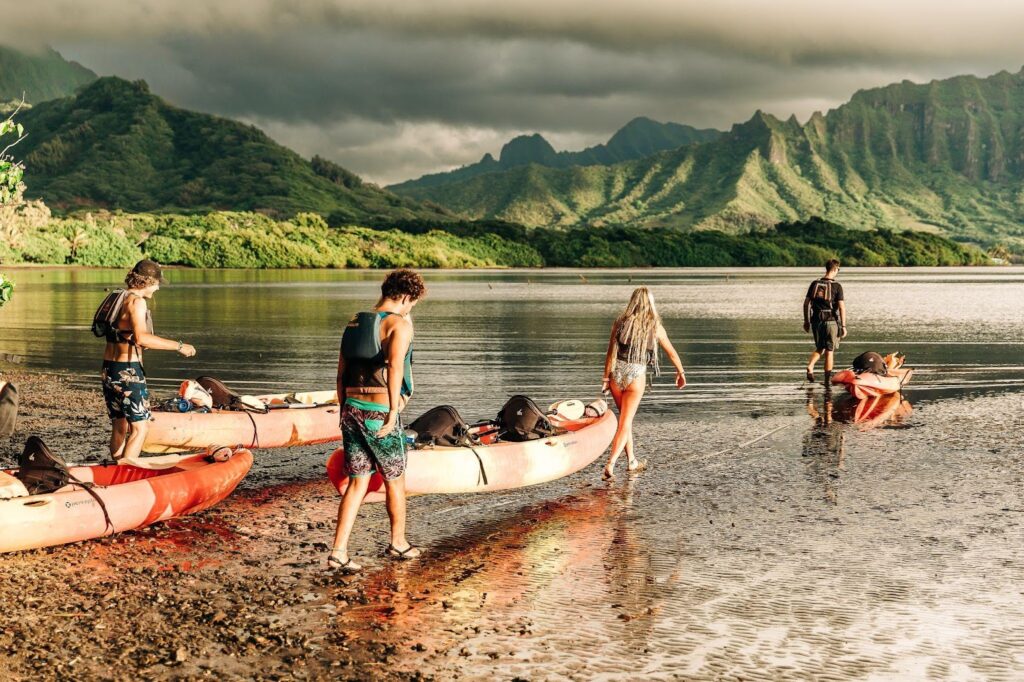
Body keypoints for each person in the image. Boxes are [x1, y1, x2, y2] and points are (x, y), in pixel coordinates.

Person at [328, 269, 426, 572]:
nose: (411, 309)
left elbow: (341, 370)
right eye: (412, 303)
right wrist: (394, 412)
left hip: (351, 409)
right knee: (395, 479)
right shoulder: (398, 325)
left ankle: (338, 552)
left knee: (357, 482)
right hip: (379, 413)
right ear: (406, 297)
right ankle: (398, 543)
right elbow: (396, 368)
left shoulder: (355, 322)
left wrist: (344, 407)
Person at [102, 260, 196, 461]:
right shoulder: (137, 302)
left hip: (109, 370)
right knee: (141, 427)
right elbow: (142, 338)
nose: (159, 287)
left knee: (120, 424)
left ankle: (116, 467)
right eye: (157, 283)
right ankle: (125, 475)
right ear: (147, 281)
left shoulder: (118, 297)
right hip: (128, 372)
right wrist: (179, 346)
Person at [600, 287, 686, 480]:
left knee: (624, 421)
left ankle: (631, 461)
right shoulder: (654, 327)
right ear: (650, 304)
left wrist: (606, 378)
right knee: (626, 422)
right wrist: (680, 372)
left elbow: (610, 352)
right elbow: (671, 353)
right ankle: (611, 463)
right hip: (635, 376)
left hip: (617, 375)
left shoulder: (620, 322)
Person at [803, 259, 847, 385]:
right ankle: (827, 381)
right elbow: (842, 307)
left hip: (816, 321)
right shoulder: (837, 286)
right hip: (831, 322)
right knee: (829, 351)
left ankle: (811, 366)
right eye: (838, 270)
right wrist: (843, 326)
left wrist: (806, 321)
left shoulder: (814, 284)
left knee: (820, 347)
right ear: (834, 269)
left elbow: (806, 304)